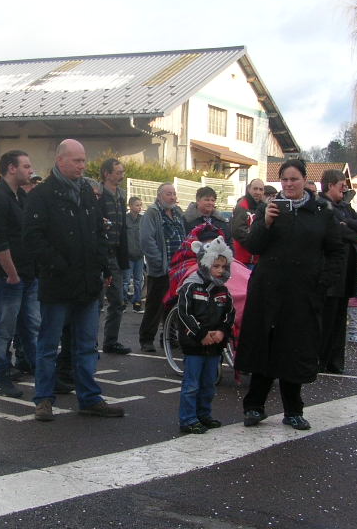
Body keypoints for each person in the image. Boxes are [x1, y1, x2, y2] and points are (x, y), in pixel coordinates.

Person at [236, 159, 343, 432]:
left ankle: (293, 410)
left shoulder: (321, 211)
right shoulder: (267, 208)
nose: (288, 185)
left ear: (306, 181)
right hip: (268, 290)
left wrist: (323, 282)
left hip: (302, 292)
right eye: (284, 180)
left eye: (294, 179)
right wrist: (266, 223)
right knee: (264, 346)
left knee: (294, 349)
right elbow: (253, 245)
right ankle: (254, 406)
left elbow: (336, 251)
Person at [25, 139, 124, 421]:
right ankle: (43, 399)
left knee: (87, 345)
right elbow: (32, 237)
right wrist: (58, 265)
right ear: (60, 161)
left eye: (83, 160)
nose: (83, 165)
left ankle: (89, 398)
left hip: (87, 283)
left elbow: (98, 233)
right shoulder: (42, 194)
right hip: (57, 283)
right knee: (48, 344)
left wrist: (103, 267)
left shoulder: (87, 193)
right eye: (77, 161)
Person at [0, 150, 39, 398]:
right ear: (11, 168)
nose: (30, 170)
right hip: (6, 277)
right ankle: (0, 377)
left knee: (30, 327)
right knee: (4, 328)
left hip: (26, 275)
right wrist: (12, 274)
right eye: (26, 166)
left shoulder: (20, 197)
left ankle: (40, 372)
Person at [175, 237, 234, 434]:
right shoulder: (190, 287)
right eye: (215, 266)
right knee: (192, 384)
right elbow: (183, 313)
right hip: (194, 345)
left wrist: (222, 332)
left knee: (209, 384)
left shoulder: (223, 291)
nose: (219, 270)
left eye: (222, 267)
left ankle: (204, 414)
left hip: (214, 346)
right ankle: (188, 419)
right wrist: (200, 334)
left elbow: (230, 314)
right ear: (204, 264)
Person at [317, 169, 357, 374]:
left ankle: (335, 362)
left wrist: (349, 226)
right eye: (341, 185)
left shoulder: (345, 208)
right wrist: (351, 231)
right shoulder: (322, 206)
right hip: (331, 271)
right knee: (326, 319)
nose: (345, 188)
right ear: (330, 185)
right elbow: (336, 232)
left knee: (339, 320)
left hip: (346, 271)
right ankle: (320, 360)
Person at [138, 183, 186, 353]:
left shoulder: (178, 213)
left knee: (174, 305)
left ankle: (169, 337)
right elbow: (146, 240)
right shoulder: (152, 213)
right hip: (161, 270)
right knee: (155, 305)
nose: (172, 197)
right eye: (168, 194)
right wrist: (158, 262)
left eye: (173, 194)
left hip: (178, 269)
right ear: (159, 196)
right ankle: (146, 339)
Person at [98, 158, 132, 355]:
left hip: (116, 254)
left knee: (117, 301)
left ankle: (110, 341)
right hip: (101, 254)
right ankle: (89, 343)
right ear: (107, 173)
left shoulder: (121, 195)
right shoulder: (98, 195)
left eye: (122, 172)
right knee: (96, 302)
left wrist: (123, 257)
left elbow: (122, 229)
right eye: (118, 172)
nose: (121, 175)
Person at [231, 179, 264, 269]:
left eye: (261, 189)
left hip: (256, 259)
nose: (258, 192)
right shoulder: (242, 206)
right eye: (255, 189)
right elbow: (238, 231)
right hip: (242, 259)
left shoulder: (262, 207)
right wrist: (254, 244)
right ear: (249, 189)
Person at [124, 195, 145, 312]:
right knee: (126, 281)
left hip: (139, 256)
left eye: (140, 205)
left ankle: (137, 304)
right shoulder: (125, 219)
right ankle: (122, 303)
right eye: (137, 205)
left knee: (138, 281)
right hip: (128, 255)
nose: (139, 207)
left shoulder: (142, 220)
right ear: (130, 206)